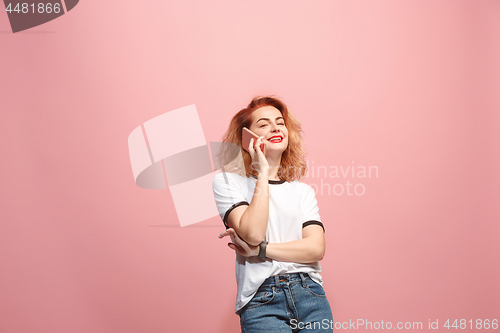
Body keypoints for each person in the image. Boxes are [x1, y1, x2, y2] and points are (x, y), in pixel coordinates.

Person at [212, 96, 333, 332]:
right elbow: (253, 234)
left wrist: (261, 251)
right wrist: (263, 171)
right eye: (264, 124)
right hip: (262, 300)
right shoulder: (227, 181)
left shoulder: (302, 191)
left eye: (279, 122)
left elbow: (316, 249)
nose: (276, 127)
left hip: (311, 295)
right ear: (247, 137)